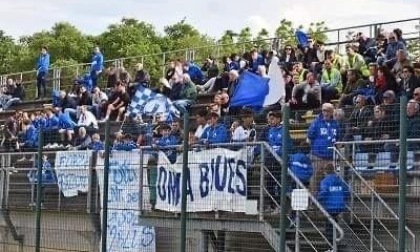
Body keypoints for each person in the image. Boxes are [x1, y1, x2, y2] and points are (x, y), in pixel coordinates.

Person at [317, 164, 349, 244]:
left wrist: (317, 199)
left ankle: (331, 245)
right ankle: (333, 243)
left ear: (325, 172)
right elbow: (347, 193)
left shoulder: (325, 181)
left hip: (329, 206)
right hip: (340, 206)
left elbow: (323, 193)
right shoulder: (340, 181)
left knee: (328, 227)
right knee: (333, 223)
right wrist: (342, 200)